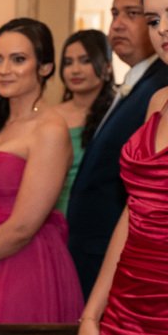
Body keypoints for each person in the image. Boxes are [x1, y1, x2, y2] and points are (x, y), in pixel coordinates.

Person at [74, 0, 168, 335]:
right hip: (124, 311)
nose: (164, 30)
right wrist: (92, 316)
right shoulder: (160, 101)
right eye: (155, 20)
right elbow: (133, 213)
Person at [0, 18, 83, 324]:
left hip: (23, 262)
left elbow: (24, 226)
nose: (3, 69)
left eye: (18, 59)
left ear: (45, 67)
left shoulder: (50, 130)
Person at [67, 0, 168, 297]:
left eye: (133, 15)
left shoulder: (160, 86)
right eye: (115, 14)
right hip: (104, 257)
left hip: (143, 274)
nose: (116, 25)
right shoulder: (142, 85)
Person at [49, 30, 114, 215]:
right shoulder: (51, 117)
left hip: (99, 217)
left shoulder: (117, 115)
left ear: (108, 66)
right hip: (53, 216)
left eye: (85, 61)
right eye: (68, 62)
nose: (75, 70)